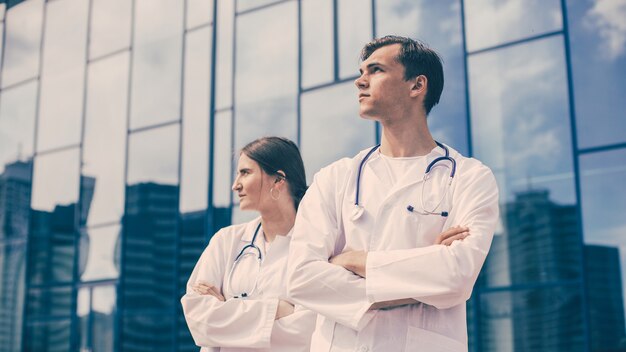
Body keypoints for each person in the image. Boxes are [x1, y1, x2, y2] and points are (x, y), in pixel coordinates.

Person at [286, 36, 499, 351]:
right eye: (362, 72)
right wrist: (420, 279)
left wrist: (357, 260)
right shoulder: (334, 178)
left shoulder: (469, 178)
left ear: (417, 85)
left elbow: (456, 276)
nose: (360, 81)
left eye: (375, 70)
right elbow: (302, 278)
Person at [181, 137, 315, 352]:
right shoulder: (226, 241)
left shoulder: (316, 242)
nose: (236, 185)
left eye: (245, 172)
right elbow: (200, 320)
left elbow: (312, 331)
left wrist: (226, 309)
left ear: (278, 180)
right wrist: (278, 310)